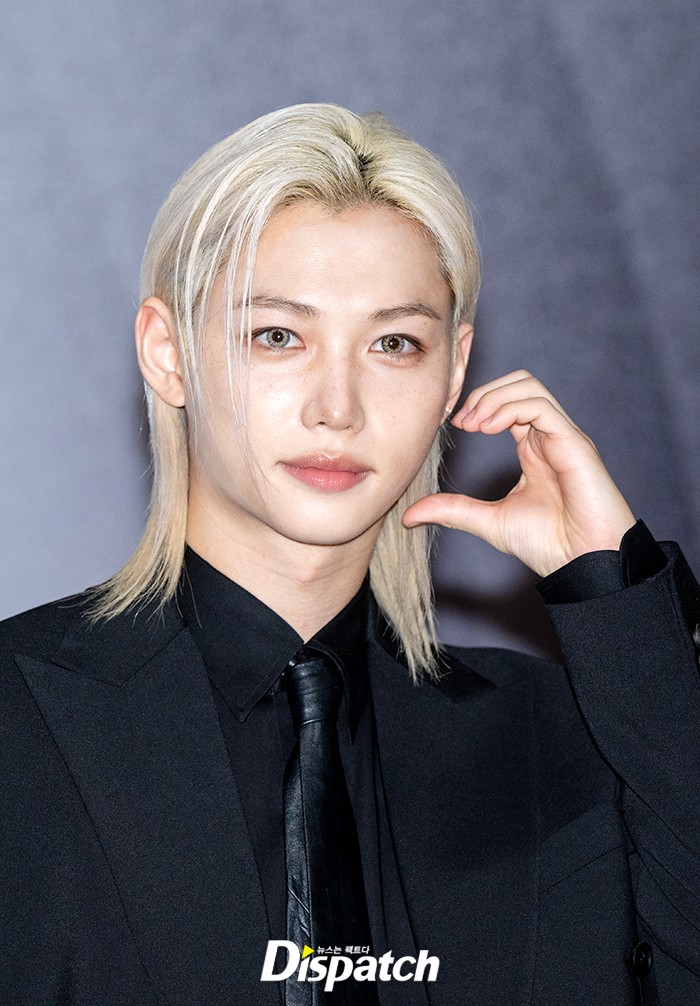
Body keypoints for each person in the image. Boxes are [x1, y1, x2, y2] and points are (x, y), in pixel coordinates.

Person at [1, 103, 699, 1006]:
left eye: (394, 343)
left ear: (453, 373)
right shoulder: (20, 721)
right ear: (167, 353)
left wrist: (614, 586)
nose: (339, 406)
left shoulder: (562, 737)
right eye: (278, 336)